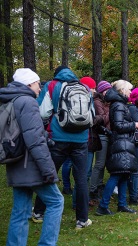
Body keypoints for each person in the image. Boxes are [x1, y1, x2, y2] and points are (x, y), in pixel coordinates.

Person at [1, 68, 71, 246]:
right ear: (28, 84)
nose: (39, 87)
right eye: (37, 83)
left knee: (20, 212)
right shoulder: (27, 102)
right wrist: (48, 169)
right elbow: (34, 140)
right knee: (56, 201)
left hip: (16, 163)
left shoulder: (9, 100)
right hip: (31, 164)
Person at [34, 66, 92, 229]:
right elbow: (91, 113)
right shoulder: (84, 87)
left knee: (50, 174)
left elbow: (43, 112)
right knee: (81, 179)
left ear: (56, 74)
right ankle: (82, 219)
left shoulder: (52, 85)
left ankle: (39, 212)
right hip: (81, 139)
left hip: (58, 138)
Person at [95, 80, 138, 215]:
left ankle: (122, 204)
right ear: (122, 90)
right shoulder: (119, 105)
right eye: (129, 90)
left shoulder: (119, 104)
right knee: (116, 175)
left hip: (124, 142)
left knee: (124, 174)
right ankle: (103, 206)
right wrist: (134, 125)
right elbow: (118, 126)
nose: (131, 92)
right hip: (121, 143)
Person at [89, 80, 112, 203]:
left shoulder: (107, 102)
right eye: (107, 90)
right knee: (99, 164)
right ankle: (93, 189)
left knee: (103, 164)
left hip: (108, 134)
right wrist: (111, 110)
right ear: (103, 91)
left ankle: (99, 185)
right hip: (102, 135)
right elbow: (102, 118)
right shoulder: (97, 102)